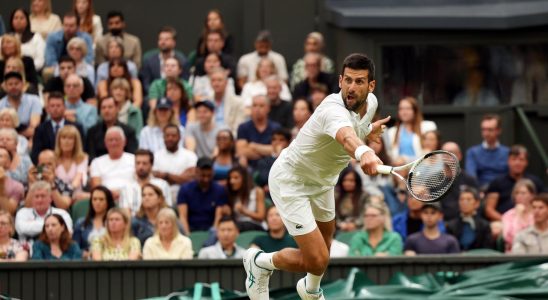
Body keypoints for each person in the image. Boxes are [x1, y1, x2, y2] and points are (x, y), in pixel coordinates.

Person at [243, 53, 390, 299]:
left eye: (360, 82)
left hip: (322, 183)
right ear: (340, 80)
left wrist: (368, 130)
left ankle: (310, 290)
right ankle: (260, 262)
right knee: (317, 259)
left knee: (324, 251)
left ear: (371, 85)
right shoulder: (331, 109)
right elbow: (345, 136)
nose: (352, 88)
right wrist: (364, 151)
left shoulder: (371, 104)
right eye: (348, 81)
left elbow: (356, 128)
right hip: (292, 181)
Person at [484, 145, 545, 222]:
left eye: (521, 159)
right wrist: (508, 221)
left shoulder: (535, 182)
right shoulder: (497, 182)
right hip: (502, 222)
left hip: (532, 221)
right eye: (514, 159)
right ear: (508, 161)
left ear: (526, 162)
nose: (517, 163)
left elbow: (545, 204)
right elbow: (489, 210)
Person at [177, 157, 227, 234]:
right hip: (191, 228)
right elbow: (183, 216)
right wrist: (188, 235)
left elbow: (218, 216)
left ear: (213, 173)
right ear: (196, 172)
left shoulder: (219, 190)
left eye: (209, 175)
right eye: (202, 175)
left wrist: (212, 234)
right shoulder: (185, 189)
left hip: (211, 230)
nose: (206, 179)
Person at [31, 92, 84, 164]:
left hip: (72, 164)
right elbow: (36, 154)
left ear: (64, 107)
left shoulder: (76, 127)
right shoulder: (40, 129)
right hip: (47, 166)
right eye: (52, 106)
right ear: (47, 109)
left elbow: (81, 149)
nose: (55, 109)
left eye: (58, 106)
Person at [383, 96, 437, 165]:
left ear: (415, 111)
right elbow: (390, 156)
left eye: (408, 109)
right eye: (401, 109)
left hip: (423, 168)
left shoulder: (428, 126)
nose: (404, 112)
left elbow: (431, 154)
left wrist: (406, 159)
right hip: (399, 169)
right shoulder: (391, 131)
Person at [152, 124, 197, 200]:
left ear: (179, 137)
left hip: (186, 196)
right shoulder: (155, 156)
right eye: (167, 135)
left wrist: (166, 176)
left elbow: (191, 179)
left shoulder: (190, 155)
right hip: (161, 196)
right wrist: (180, 178)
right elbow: (155, 178)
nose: (170, 138)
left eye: (173, 136)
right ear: (163, 137)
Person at [436, 141, 479, 221]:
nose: (447, 155)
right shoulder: (433, 180)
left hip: (464, 221)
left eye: (451, 153)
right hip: (441, 223)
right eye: (444, 153)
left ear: (459, 156)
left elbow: (477, 204)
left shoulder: (469, 180)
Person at [465, 114, 510, 189]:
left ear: (498, 131)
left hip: (503, 192)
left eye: (490, 130)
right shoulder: (472, 152)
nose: (486, 133)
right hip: (480, 192)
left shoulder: (508, 153)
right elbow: (471, 177)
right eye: (483, 129)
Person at [236, 95, 281, 168]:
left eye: (261, 106)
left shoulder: (276, 128)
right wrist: (267, 152)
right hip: (250, 166)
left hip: (271, 166)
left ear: (268, 108)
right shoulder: (243, 127)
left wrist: (253, 146)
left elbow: (278, 150)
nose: (257, 109)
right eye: (254, 105)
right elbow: (241, 151)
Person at [89, 126, 135, 198]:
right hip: (106, 198)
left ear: (125, 142)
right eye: (110, 140)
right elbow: (97, 186)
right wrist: (110, 193)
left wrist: (122, 193)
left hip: (131, 196)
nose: (114, 143)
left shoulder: (134, 159)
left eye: (117, 139)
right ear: (105, 143)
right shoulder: (96, 162)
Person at [86, 97, 137, 161]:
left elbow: (131, 155)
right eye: (103, 108)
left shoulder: (128, 131)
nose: (106, 111)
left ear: (117, 109)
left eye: (110, 107)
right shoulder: (92, 132)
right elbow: (91, 155)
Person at [140, 26, 188, 92]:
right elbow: (146, 84)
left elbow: (185, 83)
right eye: (160, 39)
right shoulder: (149, 60)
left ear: (174, 42)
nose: (163, 42)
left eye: (166, 39)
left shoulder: (182, 60)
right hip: (155, 96)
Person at [72, 186, 115, 258]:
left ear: (108, 201)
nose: (97, 202)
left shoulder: (115, 222)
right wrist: (84, 253)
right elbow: (75, 247)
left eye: (101, 199)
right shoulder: (81, 223)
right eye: (94, 199)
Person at [445, 186, 492, 251]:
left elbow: (487, 250)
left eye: (468, 199)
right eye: (461, 199)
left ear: (477, 203)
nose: (464, 202)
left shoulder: (484, 226)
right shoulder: (451, 226)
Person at [0, 71, 42, 140]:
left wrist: (13, 134)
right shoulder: (1, 104)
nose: (13, 86)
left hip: (28, 139)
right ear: (5, 87)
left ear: (23, 84)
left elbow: (34, 129)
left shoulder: (34, 100)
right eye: (10, 84)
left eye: (16, 83)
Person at [226, 166, 266, 232]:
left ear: (244, 179)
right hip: (238, 225)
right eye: (230, 178)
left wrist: (244, 211)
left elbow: (261, 217)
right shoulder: (232, 194)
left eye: (236, 178)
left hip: (255, 225)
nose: (231, 181)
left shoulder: (257, 191)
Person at [53, 125, 88, 199]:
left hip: (76, 196)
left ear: (76, 142)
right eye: (63, 138)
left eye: (70, 138)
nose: (66, 141)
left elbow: (76, 182)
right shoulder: (52, 157)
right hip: (57, 196)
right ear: (59, 140)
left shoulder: (83, 158)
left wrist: (66, 194)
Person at [501, 179, 536, 252]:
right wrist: (518, 216)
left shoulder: (537, 213)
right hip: (514, 253)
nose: (519, 196)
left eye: (523, 193)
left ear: (532, 195)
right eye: (516, 193)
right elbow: (510, 239)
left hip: (535, 252)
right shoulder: (508, 215)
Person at [209, 67, 247, 134]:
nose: (216, 83)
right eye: (213, 80)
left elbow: (238, 128)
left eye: (219, 80)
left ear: (226, 83)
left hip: (230, 140)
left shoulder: (238, 102)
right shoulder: (206, 102)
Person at [335, 166, 369, 232]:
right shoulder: (336, 195)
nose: (347, 183)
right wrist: (340, 224)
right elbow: (333, 214)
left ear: (357, 182)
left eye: (351, 180)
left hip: (360, 229)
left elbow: (365, 213)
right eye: (345, 180)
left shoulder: (364, 196)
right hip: (340, 229)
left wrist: (355, 224)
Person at [0, 148, 24, 215]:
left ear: (8, 162)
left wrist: (1, 184)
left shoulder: (16, 186)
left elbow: (9, 211)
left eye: (0, 156)